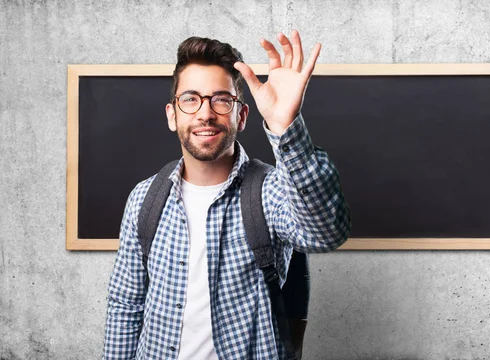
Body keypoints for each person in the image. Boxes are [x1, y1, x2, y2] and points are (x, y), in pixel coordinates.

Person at [102, 30, 351, 360]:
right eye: (190, 99)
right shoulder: (144, 198)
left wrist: (285, 126)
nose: (205, 113)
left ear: (242, 115)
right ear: (172, 115)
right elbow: (125, 305)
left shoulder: (271, 191)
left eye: (221, 99)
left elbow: (327, 234)